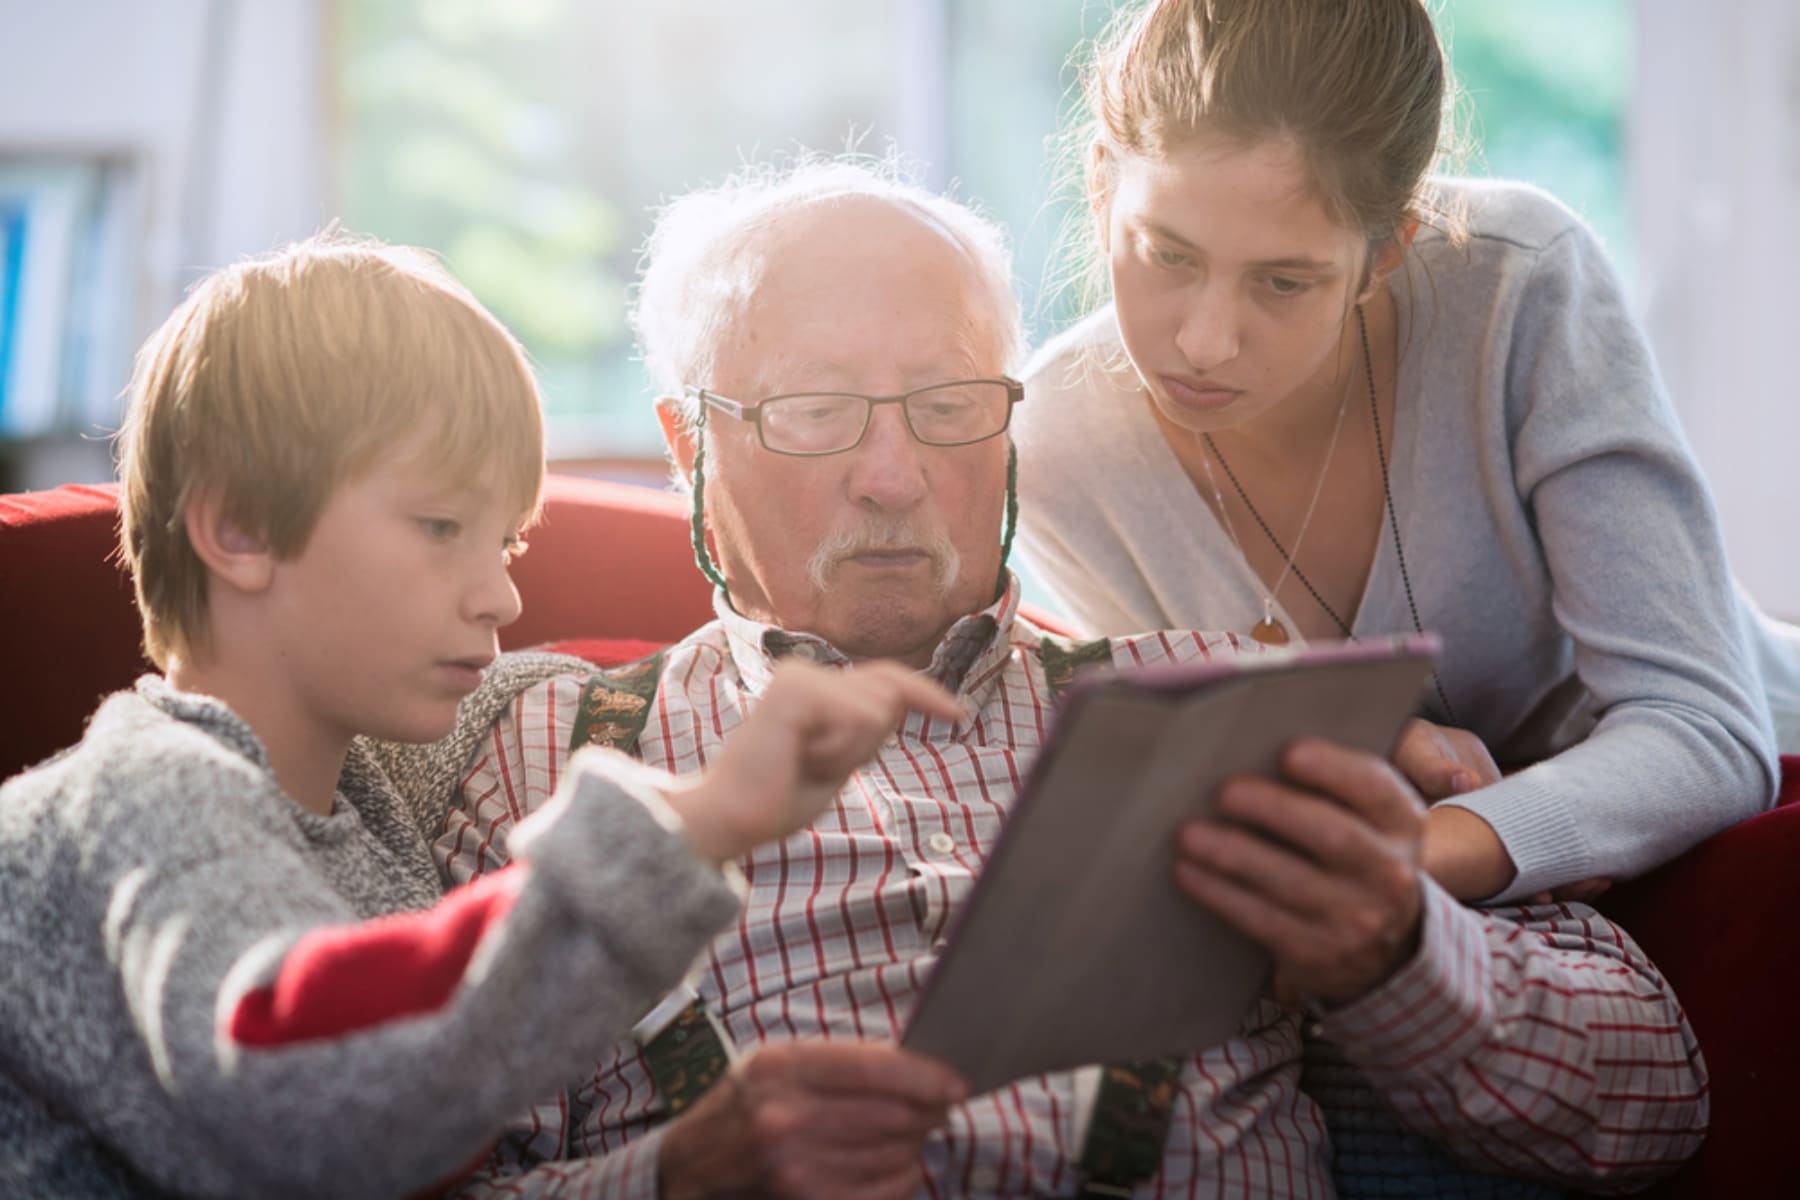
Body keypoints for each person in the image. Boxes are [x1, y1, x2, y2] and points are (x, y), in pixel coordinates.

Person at [375, 157, 1708, 1199]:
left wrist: (1400, 953)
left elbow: (1656, 1104)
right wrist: (676, 1176)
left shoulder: (1217, 699)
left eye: (951, 404)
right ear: (688, 448)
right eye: (817, 410)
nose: (893, 477)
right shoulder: (545, 754)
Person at [0, 232, 965, 1200]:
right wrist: (697, 818)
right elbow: (305, 1089)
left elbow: (588, 684)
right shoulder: (146, 801)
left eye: (504, 541)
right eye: (440, 529)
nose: (501, 598)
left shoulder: (368, 778)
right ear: (240, 530)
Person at [1014, 0, 1800, 907]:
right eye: (1167, 254)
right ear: (1101, 179)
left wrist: (1417, 861)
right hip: (1517, 918)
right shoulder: (1061, 449)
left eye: (1281, 281)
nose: (1205, 341)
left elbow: (1704, 733)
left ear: (1388, 250)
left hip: (1763, 816)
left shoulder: (1516, 286)